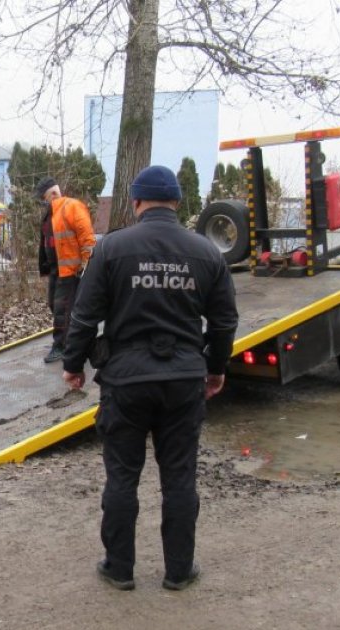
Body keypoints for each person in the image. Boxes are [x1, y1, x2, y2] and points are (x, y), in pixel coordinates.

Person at [61, 165, 238, 591]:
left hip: (126, 381)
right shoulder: (206, 252)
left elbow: (84, 314)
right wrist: (215, 368)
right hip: (183, 380)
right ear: (177, 203)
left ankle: (119, 568)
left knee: (122, 476)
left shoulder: (112, 248)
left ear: (137, 203)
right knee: (179, 477)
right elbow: (224, 319)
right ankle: (179, 571)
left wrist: (73, 364)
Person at [35, 176, 96, 364]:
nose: (44, 202)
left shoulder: (72, 207)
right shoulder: (51, 213)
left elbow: (87, 239)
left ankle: (61, 346)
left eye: (44, 198)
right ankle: (73, 341)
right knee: (55, 305)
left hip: (71, 270)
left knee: (63, 308)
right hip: (57, 269)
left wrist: (85, 265)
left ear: (53, 194)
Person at [37, 198, 58, 342]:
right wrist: (44, 266)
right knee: (53, 303)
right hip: (53, 268)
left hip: (65, 268)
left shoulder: (62, 216)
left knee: (62, 306)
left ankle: (62, 342)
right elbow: (43, 244)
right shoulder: (46, 219)